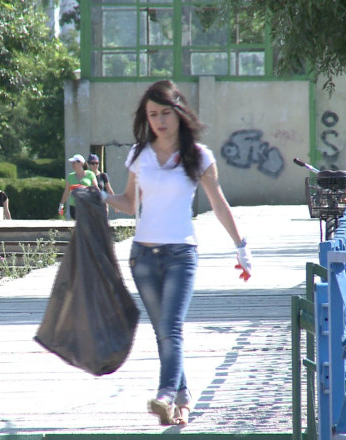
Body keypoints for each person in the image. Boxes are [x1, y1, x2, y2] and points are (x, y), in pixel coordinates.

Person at [105, 80, 253, 426]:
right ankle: (182, 400)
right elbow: (129, 203)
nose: (159, 120)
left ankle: (166, 394)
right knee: (163, 331)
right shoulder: (139, 155)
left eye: (165, 113)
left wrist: (241, 245)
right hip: (142, 256)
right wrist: (101, 199)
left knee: (171, 327)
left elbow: (218, 204)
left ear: (179, 112)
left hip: (181, 255)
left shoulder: (199, 156)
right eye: (152, 114)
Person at [58, 154, 98, 220]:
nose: (73, 165)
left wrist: (84, 188)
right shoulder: (70, 176)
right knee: (79, 224)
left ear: (81, 163)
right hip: (74, 205)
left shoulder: (90, 174)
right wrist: (61, 204)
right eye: (72, 163)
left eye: (74, 163)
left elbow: (96, 189)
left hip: (87, 204)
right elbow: (66, 191)